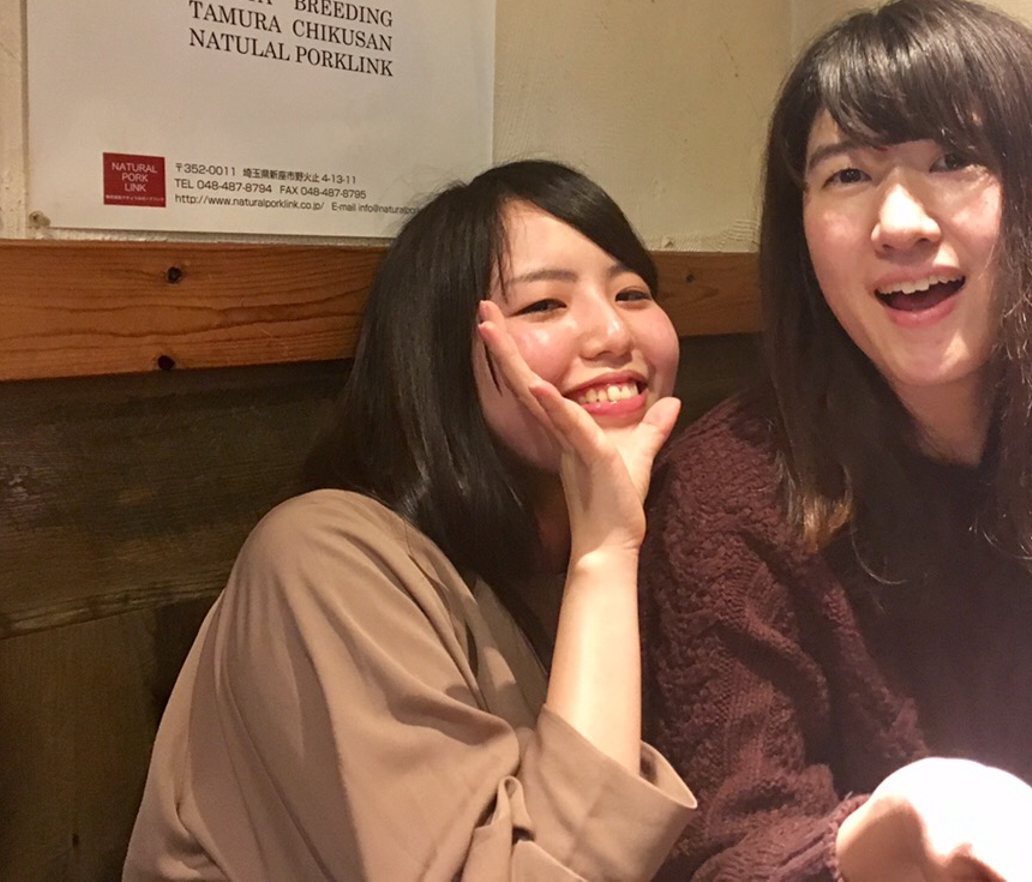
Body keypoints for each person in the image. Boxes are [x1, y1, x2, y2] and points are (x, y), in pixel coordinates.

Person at [640, 0, 1032, 880]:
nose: (899, 222)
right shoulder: (728, 494)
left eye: (951, 160)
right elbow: (724, 857)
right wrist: (893, 832)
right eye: (846, 175)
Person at [124, 160, 696, 880]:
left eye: (633, 293)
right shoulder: (323, 558)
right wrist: (605, 556)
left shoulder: (660, 529)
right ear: (443, 357)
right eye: (544, 305)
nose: (613, 331)